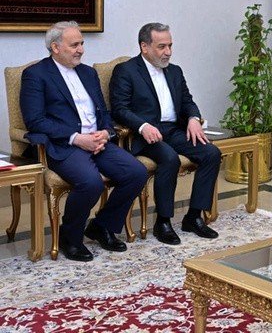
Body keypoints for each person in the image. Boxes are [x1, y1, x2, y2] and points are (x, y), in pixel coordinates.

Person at [20, 21, 147, 262]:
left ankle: (101, 226)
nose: (81, 49)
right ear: (55, 47)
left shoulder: (88, 73)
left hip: (98, 142)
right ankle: (70, 238)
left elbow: (103, 113)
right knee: (91, 183)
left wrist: (106, 133)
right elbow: (35, 121)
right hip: (63, 145)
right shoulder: (36, 75)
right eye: (74, 45)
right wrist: (77, 138)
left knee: (136, 172)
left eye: (82, 44)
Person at [109, 22, 221, 245]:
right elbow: (119, 109)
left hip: (173, 130)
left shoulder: (175, 71)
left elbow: (187, 101)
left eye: (170, 45)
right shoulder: (126, 71)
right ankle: (163, 222)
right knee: (169, 158)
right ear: (144, 47)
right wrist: (143, 126)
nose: (168, 52)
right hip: (143, 135)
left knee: (211, 153)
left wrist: (193, 119)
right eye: (161, 47)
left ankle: (193, 217)